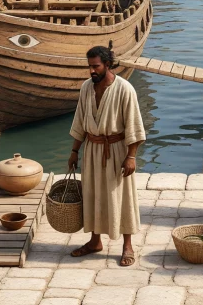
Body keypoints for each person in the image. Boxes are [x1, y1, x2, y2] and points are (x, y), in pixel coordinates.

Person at [67, 46, 146, 267]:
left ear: (108, 65)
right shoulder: (86, 88)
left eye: (96, 66)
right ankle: (94, 241)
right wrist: (74, 151)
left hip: (117, 149)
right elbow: (80, 122)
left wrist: (131, 156)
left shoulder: (125, 89)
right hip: (92, 149)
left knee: (122, 197)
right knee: (92, 194)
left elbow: (135, 126)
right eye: (89, 66)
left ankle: (127, 245)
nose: (91, 70)